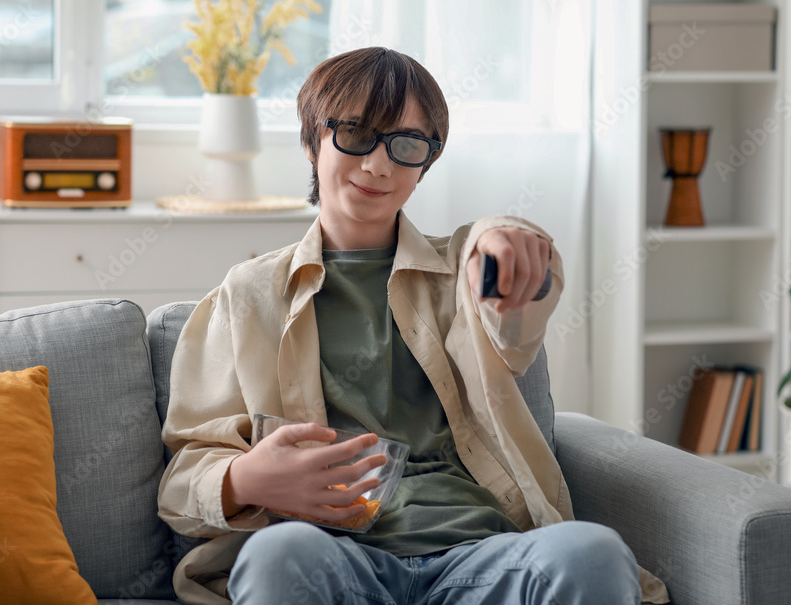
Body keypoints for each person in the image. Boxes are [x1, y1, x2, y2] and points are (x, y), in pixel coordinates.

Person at [157, 46, 669, 604]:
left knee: (592, 551)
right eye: (355, 133)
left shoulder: (461, 273)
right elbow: (183, 479)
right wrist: (249, 479)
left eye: (406, 145)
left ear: (427, 162)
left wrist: (510, 240)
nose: (379, 165)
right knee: (277, 556)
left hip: (480, 556)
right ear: (310, 141)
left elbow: (508, 298)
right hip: (332, 557)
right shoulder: (246, 296)